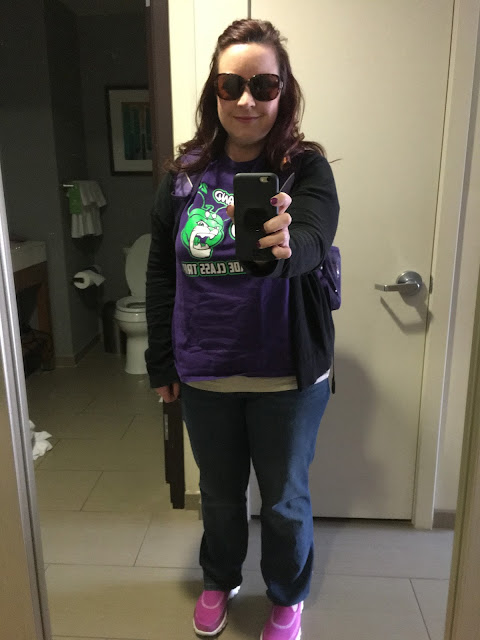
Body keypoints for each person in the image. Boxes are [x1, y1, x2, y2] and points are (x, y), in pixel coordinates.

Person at [146, 18, 339, 640]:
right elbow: (161, 270)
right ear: (215, 91)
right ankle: (219, 577)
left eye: (264, 85)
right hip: (204, 368)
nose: (247, 100)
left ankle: (287, 596)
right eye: (232, 85)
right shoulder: (185, 173)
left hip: (286, 373)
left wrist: (288, 245)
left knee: (284, 499)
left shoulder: (304, 169)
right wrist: (160, 361)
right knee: (220, 494)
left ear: (284, 91)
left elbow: (314, 235)